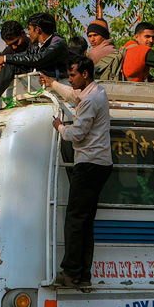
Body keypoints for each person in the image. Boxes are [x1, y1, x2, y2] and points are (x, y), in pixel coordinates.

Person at [39, 56, 112, 287]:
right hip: (100, 164)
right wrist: (52, 84)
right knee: (85, 221)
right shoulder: (94, 92)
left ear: (85, 75)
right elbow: (73, 95)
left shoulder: (90, 99)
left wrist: (59, 126)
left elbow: (76, 135)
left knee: (74, 220)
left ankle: (70, 272)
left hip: (89, 164)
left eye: (72, 75)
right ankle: (83, 274)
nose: (70, 80)